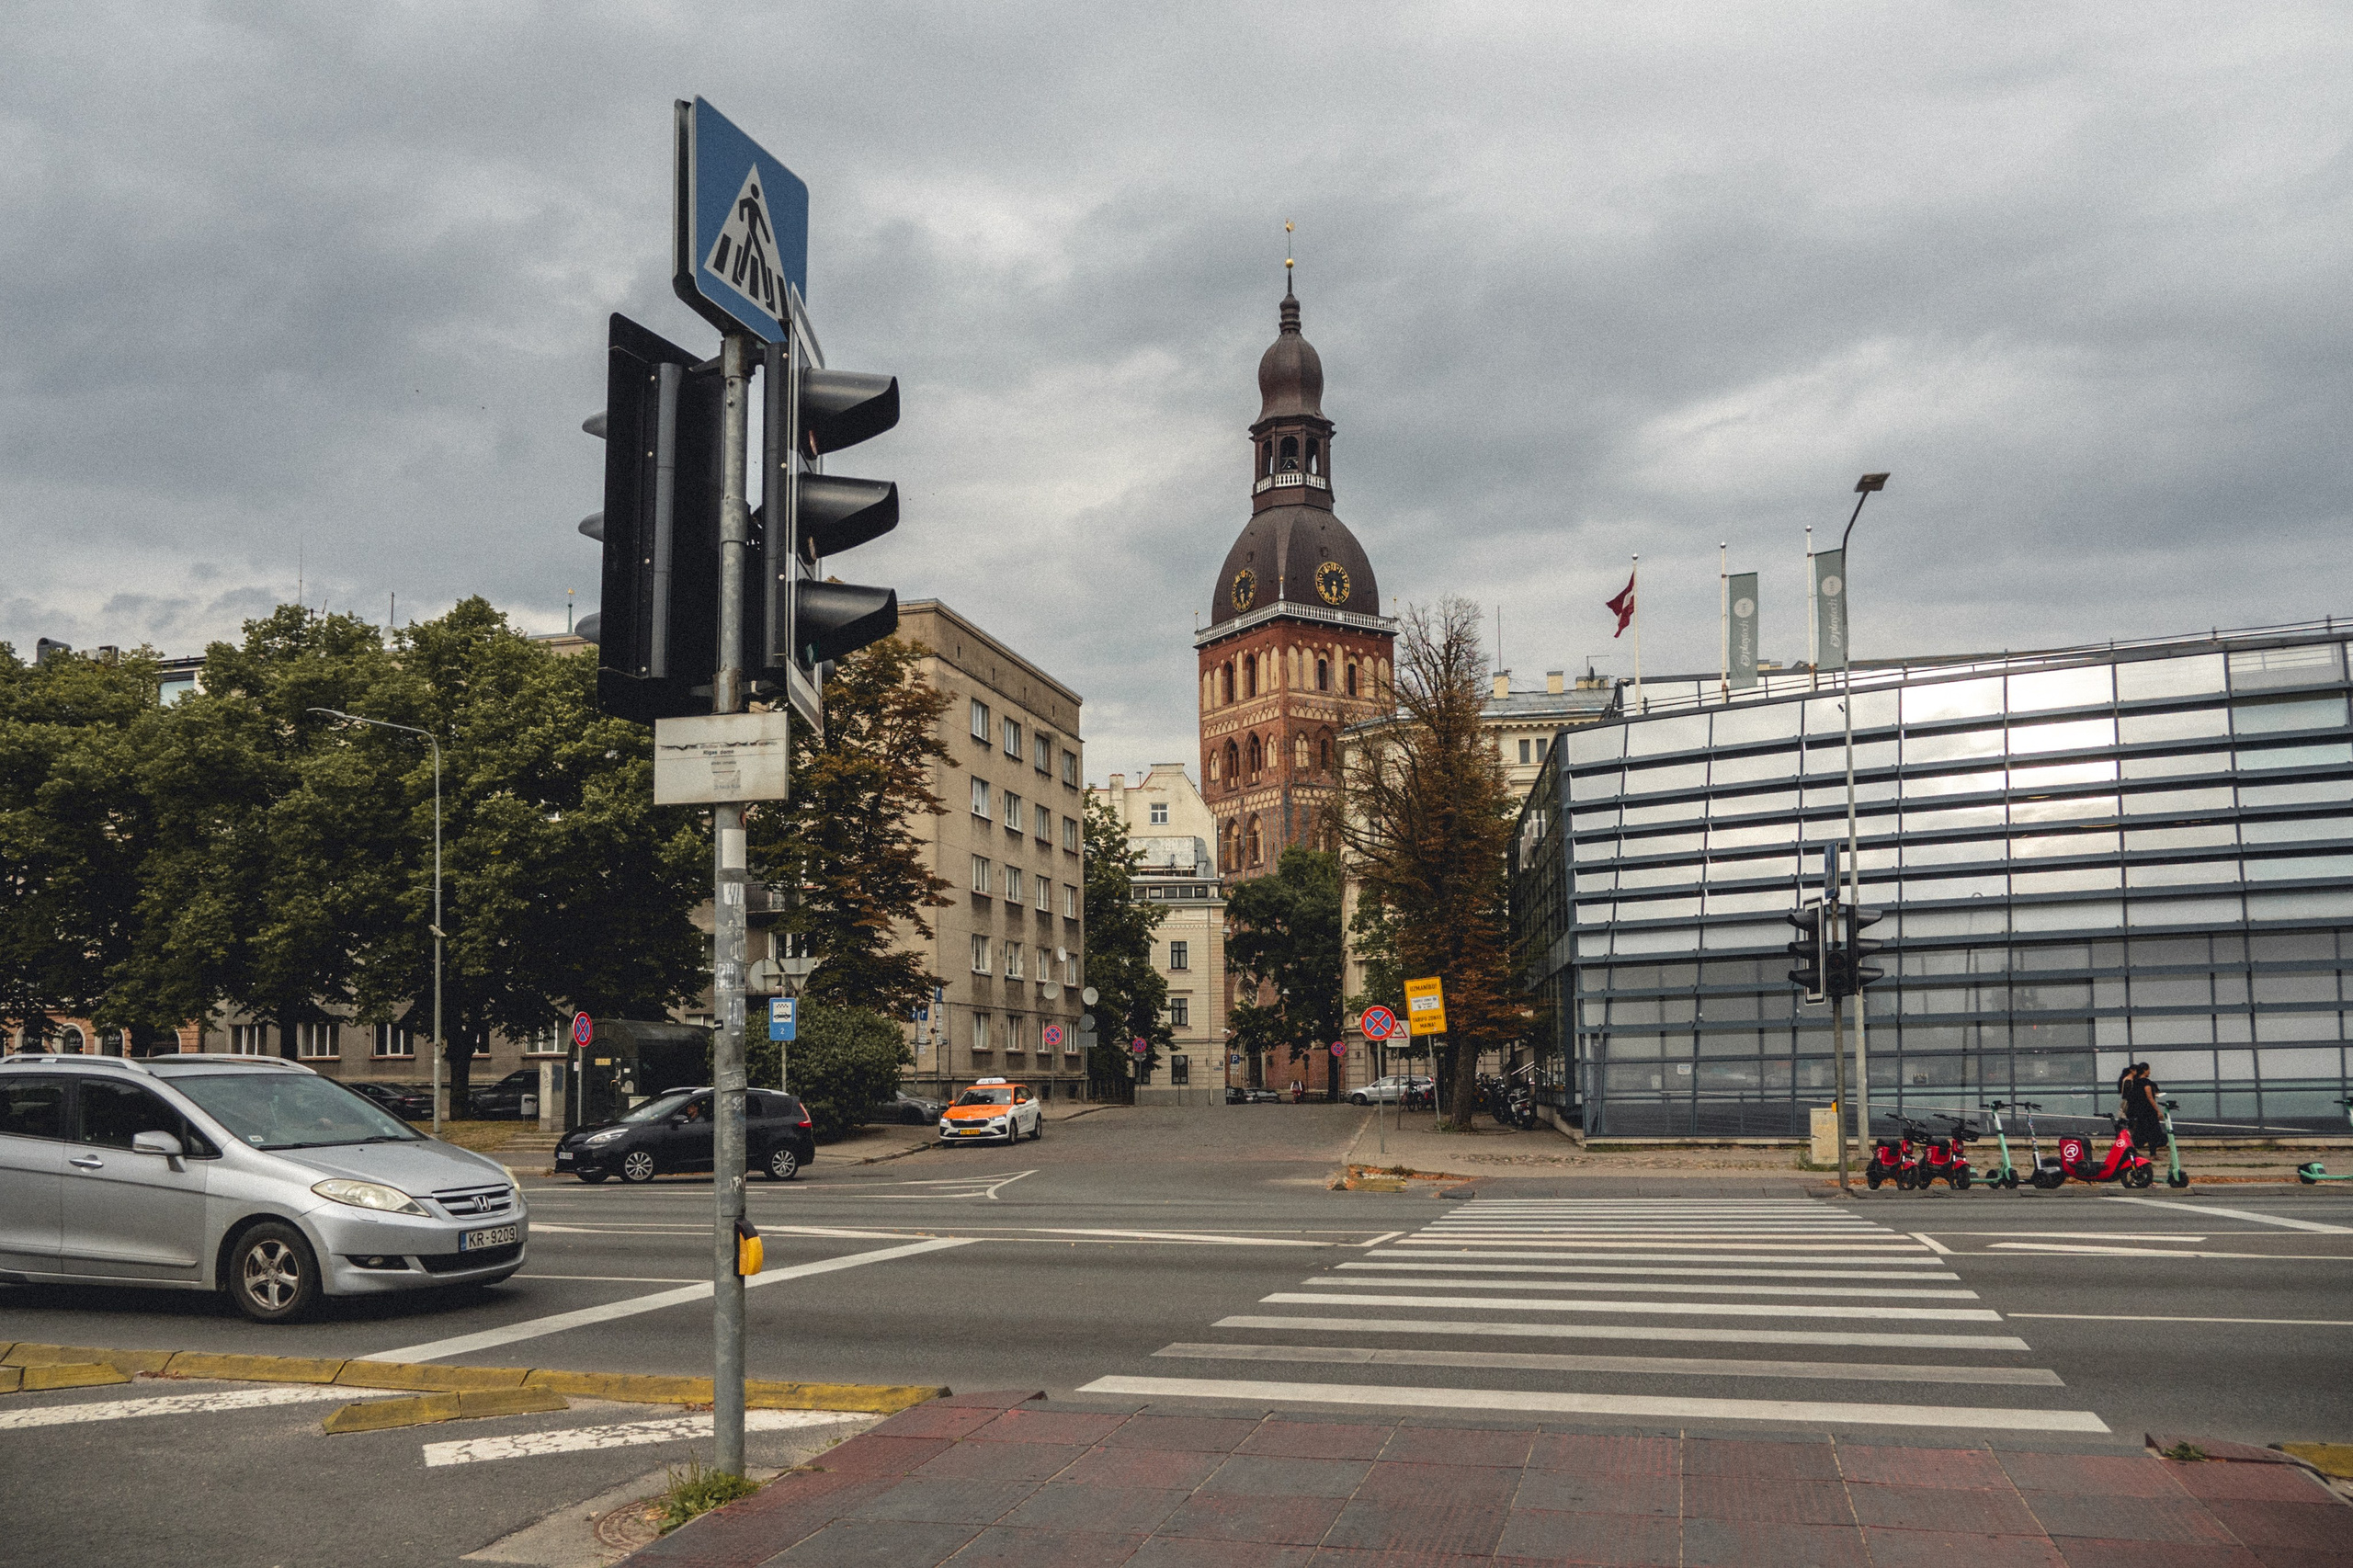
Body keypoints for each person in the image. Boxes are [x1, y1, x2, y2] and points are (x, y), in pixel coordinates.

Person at [2121, 1062, 2165, 1154]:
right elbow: (2149, 1097)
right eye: (2148, 1070)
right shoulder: (2146, 1083)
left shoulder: (2135, 1082)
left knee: (2141, 1131)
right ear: (2145, 1070)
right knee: (2154, 1132)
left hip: (2139, 1111)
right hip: (2148, 1111)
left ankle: (2132, 1148)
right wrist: (2158, 1111)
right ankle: (2152, 1152)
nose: (2149, 1072)